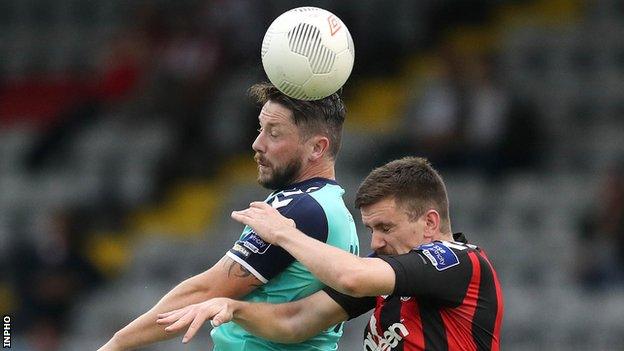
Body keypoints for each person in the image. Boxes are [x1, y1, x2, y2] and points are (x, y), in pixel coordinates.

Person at [98, 82, 359, 350]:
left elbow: (206, 291)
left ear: (317, 148)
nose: (257, 143)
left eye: (275, 134)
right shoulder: (332, 208)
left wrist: (117, 344)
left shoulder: (298, 209)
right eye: (261, 129)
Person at [157, 157, 504, 350]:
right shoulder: (387, 278)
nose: (375, 243)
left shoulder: (459, 261)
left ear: (429, 222)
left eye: (385, 228)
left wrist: (284, 234)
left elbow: (352, 277)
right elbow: (295, 322)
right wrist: (234, 308)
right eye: (370, 230)